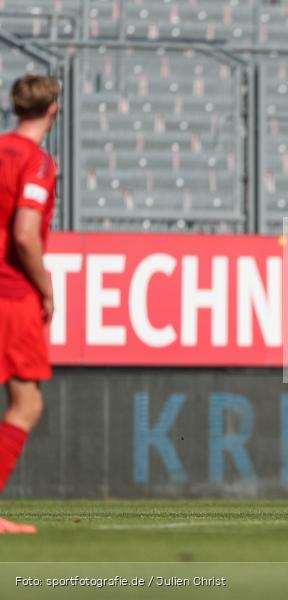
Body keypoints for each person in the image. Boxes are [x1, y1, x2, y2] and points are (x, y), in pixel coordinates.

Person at [0, 74, 61, 534]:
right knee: (26, 402)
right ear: (53, 110)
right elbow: (24, 233)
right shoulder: (37, 162)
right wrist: (45, 288)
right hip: (11, 294)